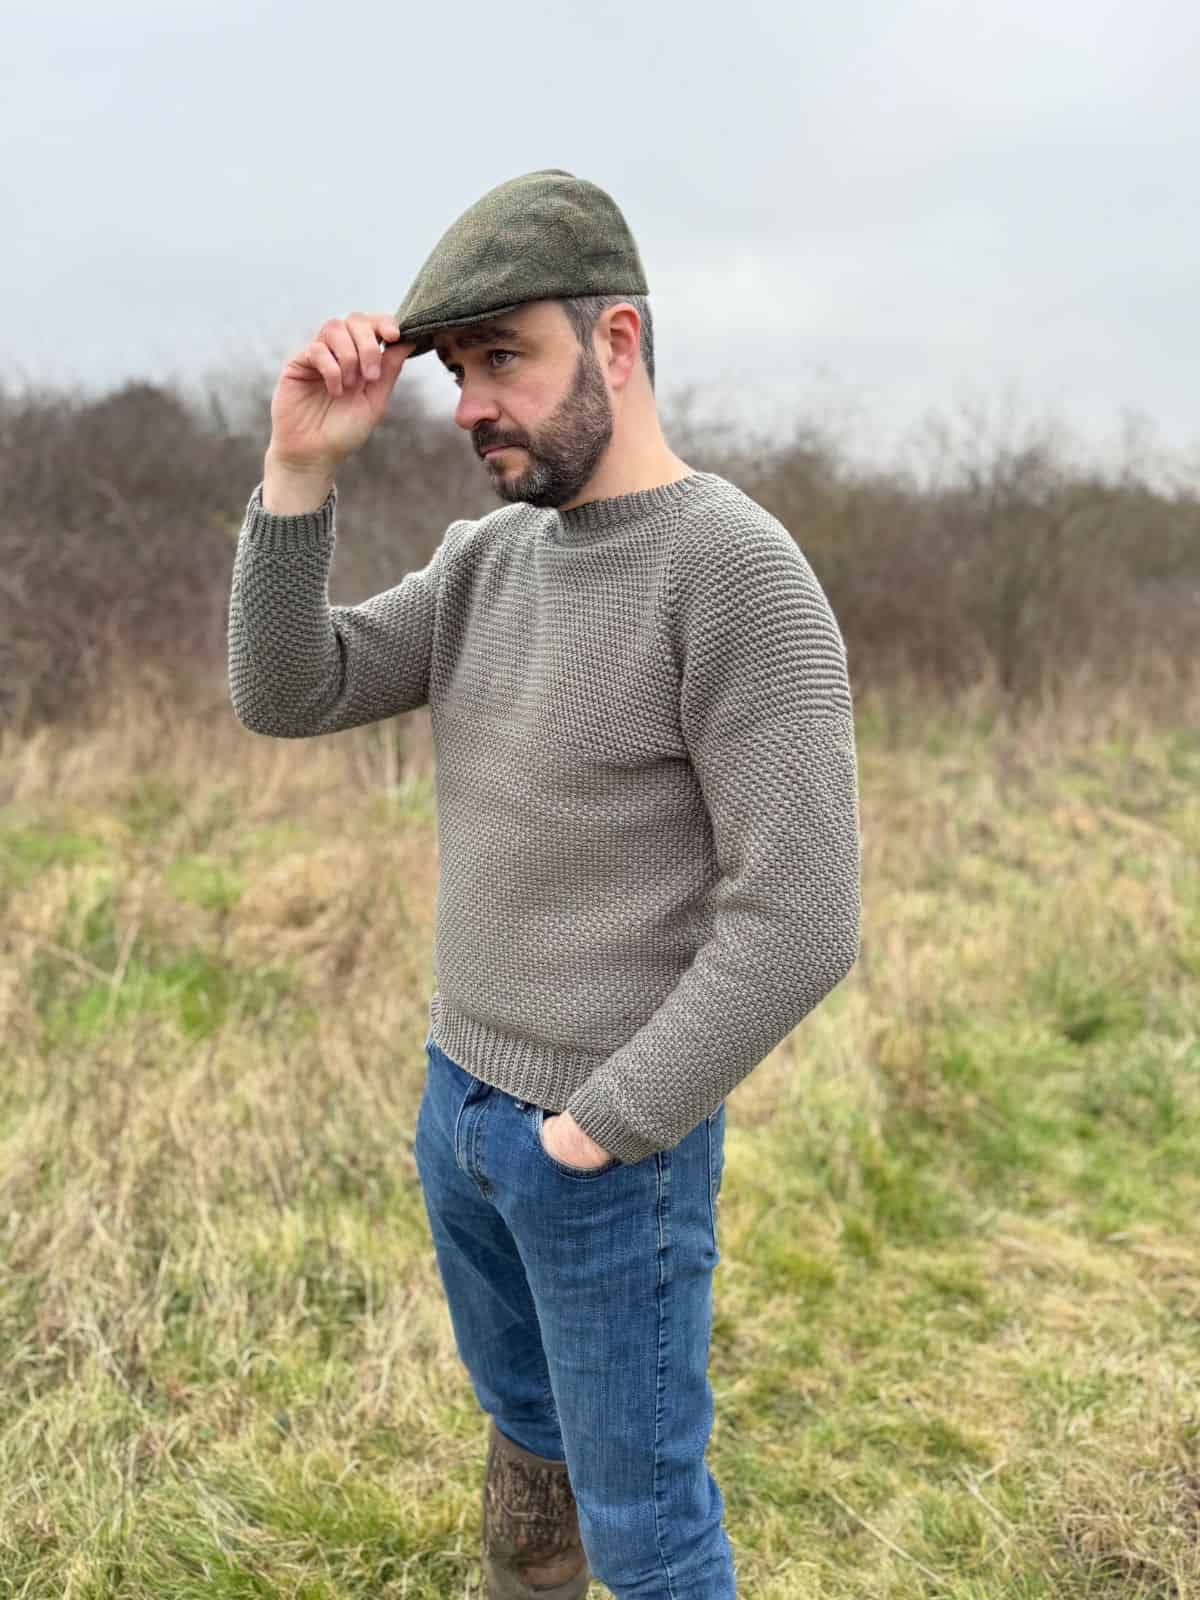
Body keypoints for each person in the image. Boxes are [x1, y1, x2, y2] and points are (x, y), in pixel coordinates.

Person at [228, 167, 862, 1600]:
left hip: (604, 1153)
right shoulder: (485, 560)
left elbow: (805, 915)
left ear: (618, 343)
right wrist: (299, 473)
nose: (469, 407)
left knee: (650, 1534)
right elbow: (288, 690)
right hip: (458, 1107)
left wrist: (597, 1131)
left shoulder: (736, 574)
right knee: (529, 1472)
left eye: (502, 356)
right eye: (458, 371)